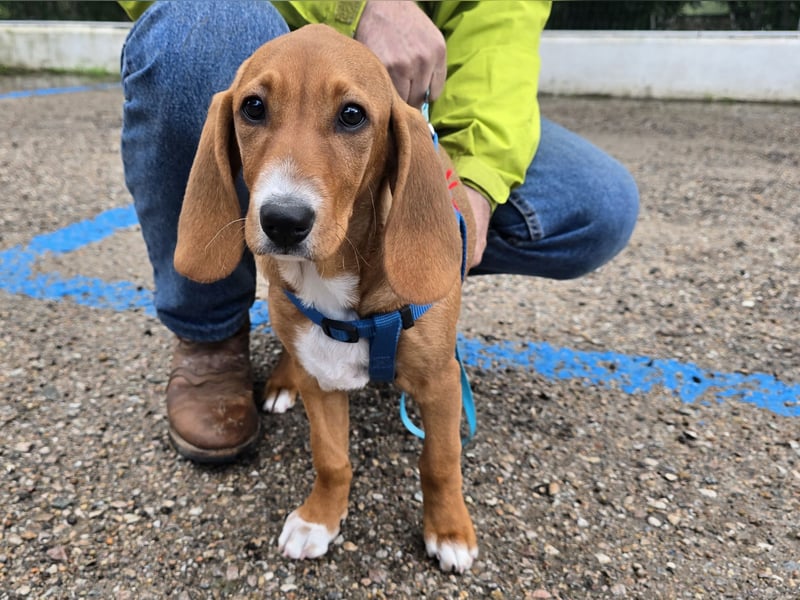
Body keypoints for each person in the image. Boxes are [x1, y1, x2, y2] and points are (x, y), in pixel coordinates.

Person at [119, 1, 639, 463]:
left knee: (598, 202)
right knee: (194, 27)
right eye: (254, 109)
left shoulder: (402, 135)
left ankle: (406, 275)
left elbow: (502, 17)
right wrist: (358, 7)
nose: (285, 201)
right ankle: (212, 334)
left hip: (421, 96)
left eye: (349, 117)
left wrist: (479, 176)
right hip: (253, 20)